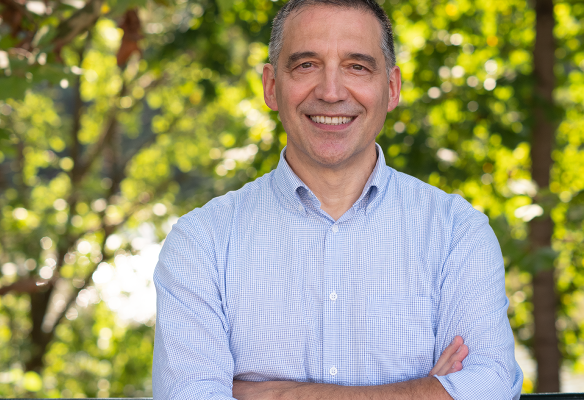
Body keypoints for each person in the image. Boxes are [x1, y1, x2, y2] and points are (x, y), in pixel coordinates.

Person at [152, 0, 524, 398]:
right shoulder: (202, 241)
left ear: (392, 88)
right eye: (306, 65)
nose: (331, 92)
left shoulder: (456, 232)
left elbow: (490, 386)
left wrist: (274, 394)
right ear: (271, 86)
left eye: (357, 67)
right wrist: (428, 391)